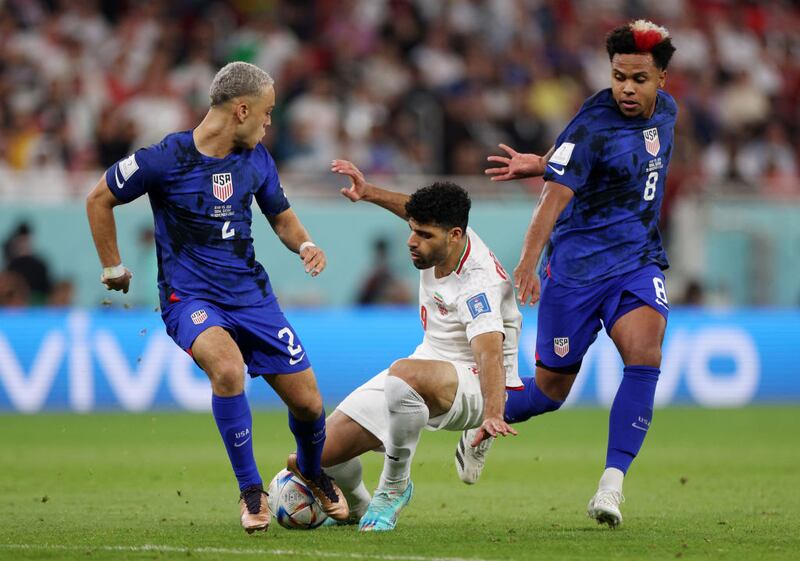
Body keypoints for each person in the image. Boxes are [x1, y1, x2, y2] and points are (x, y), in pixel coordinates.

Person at [85, 61, 349, 533]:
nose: (269, 123)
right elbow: (98, 198)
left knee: (310, 404)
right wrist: (112, 265)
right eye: (266, 112)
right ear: (241, 110)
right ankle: (251, 491)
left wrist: (306, 244)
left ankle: (310, 471)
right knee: (228, 370)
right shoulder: (165, 158)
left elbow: (281, 217)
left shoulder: (257, 159)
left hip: (253, 298)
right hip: (190, 298)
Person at [465, 20, 677, 529]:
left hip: (636, 262)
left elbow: (581, 164)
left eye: (639, 79)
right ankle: (480, 419)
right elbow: (553, 199)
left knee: (645, 354)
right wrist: (528, 263)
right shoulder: (592, 123)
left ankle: (611, 486)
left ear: (661, 79)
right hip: (577, 272)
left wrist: (542, 160)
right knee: (548, 394)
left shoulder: (668, 113)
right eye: (619, 77)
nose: (627, 88)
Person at [319, 159, 521, 532]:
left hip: (477, 380)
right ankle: (359, 506)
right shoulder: (443, 237)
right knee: (317, 453)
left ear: (455, 235)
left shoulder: (477, 283)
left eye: (424, 235)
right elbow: (413, 211)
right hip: (430, 361)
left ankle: (394, 487)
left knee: (403, 375)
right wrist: (368, 193)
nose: (412, 241)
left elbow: (490, 352)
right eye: (413, 230)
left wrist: (493, 413)